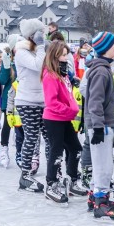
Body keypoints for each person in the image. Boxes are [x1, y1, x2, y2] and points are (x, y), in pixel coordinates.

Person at [83, 31, 114, 221]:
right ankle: (101, 202)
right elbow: (95, 101)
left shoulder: (103, 68)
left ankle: (95, 196)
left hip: (103, 123)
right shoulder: (100, 71)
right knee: (103, 165)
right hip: (101, 125)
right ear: (106, 49)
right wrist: (98, 127)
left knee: (103, 162)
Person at [42, 40, 88, 203]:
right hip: (54, 119)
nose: (66, 57)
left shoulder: (63, 74)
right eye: (63, 54)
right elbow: (51, 102)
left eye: (67, 54)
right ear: (55, 56)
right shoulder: (50, 75)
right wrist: (70, 110)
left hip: (64, 118)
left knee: (75, 148)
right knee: (56, 152)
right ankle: (51, 184)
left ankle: (72, 179)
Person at [15, 18, 49, 189]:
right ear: (32, 35)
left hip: (44, 100)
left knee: (49, 138)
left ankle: (53, 174)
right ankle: (25, 175)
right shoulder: (21, 51)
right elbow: (38, 65)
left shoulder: (39, 50)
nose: (43, 36)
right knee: (32, 137)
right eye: (40, 33)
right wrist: (42, 46)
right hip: (27, 101)